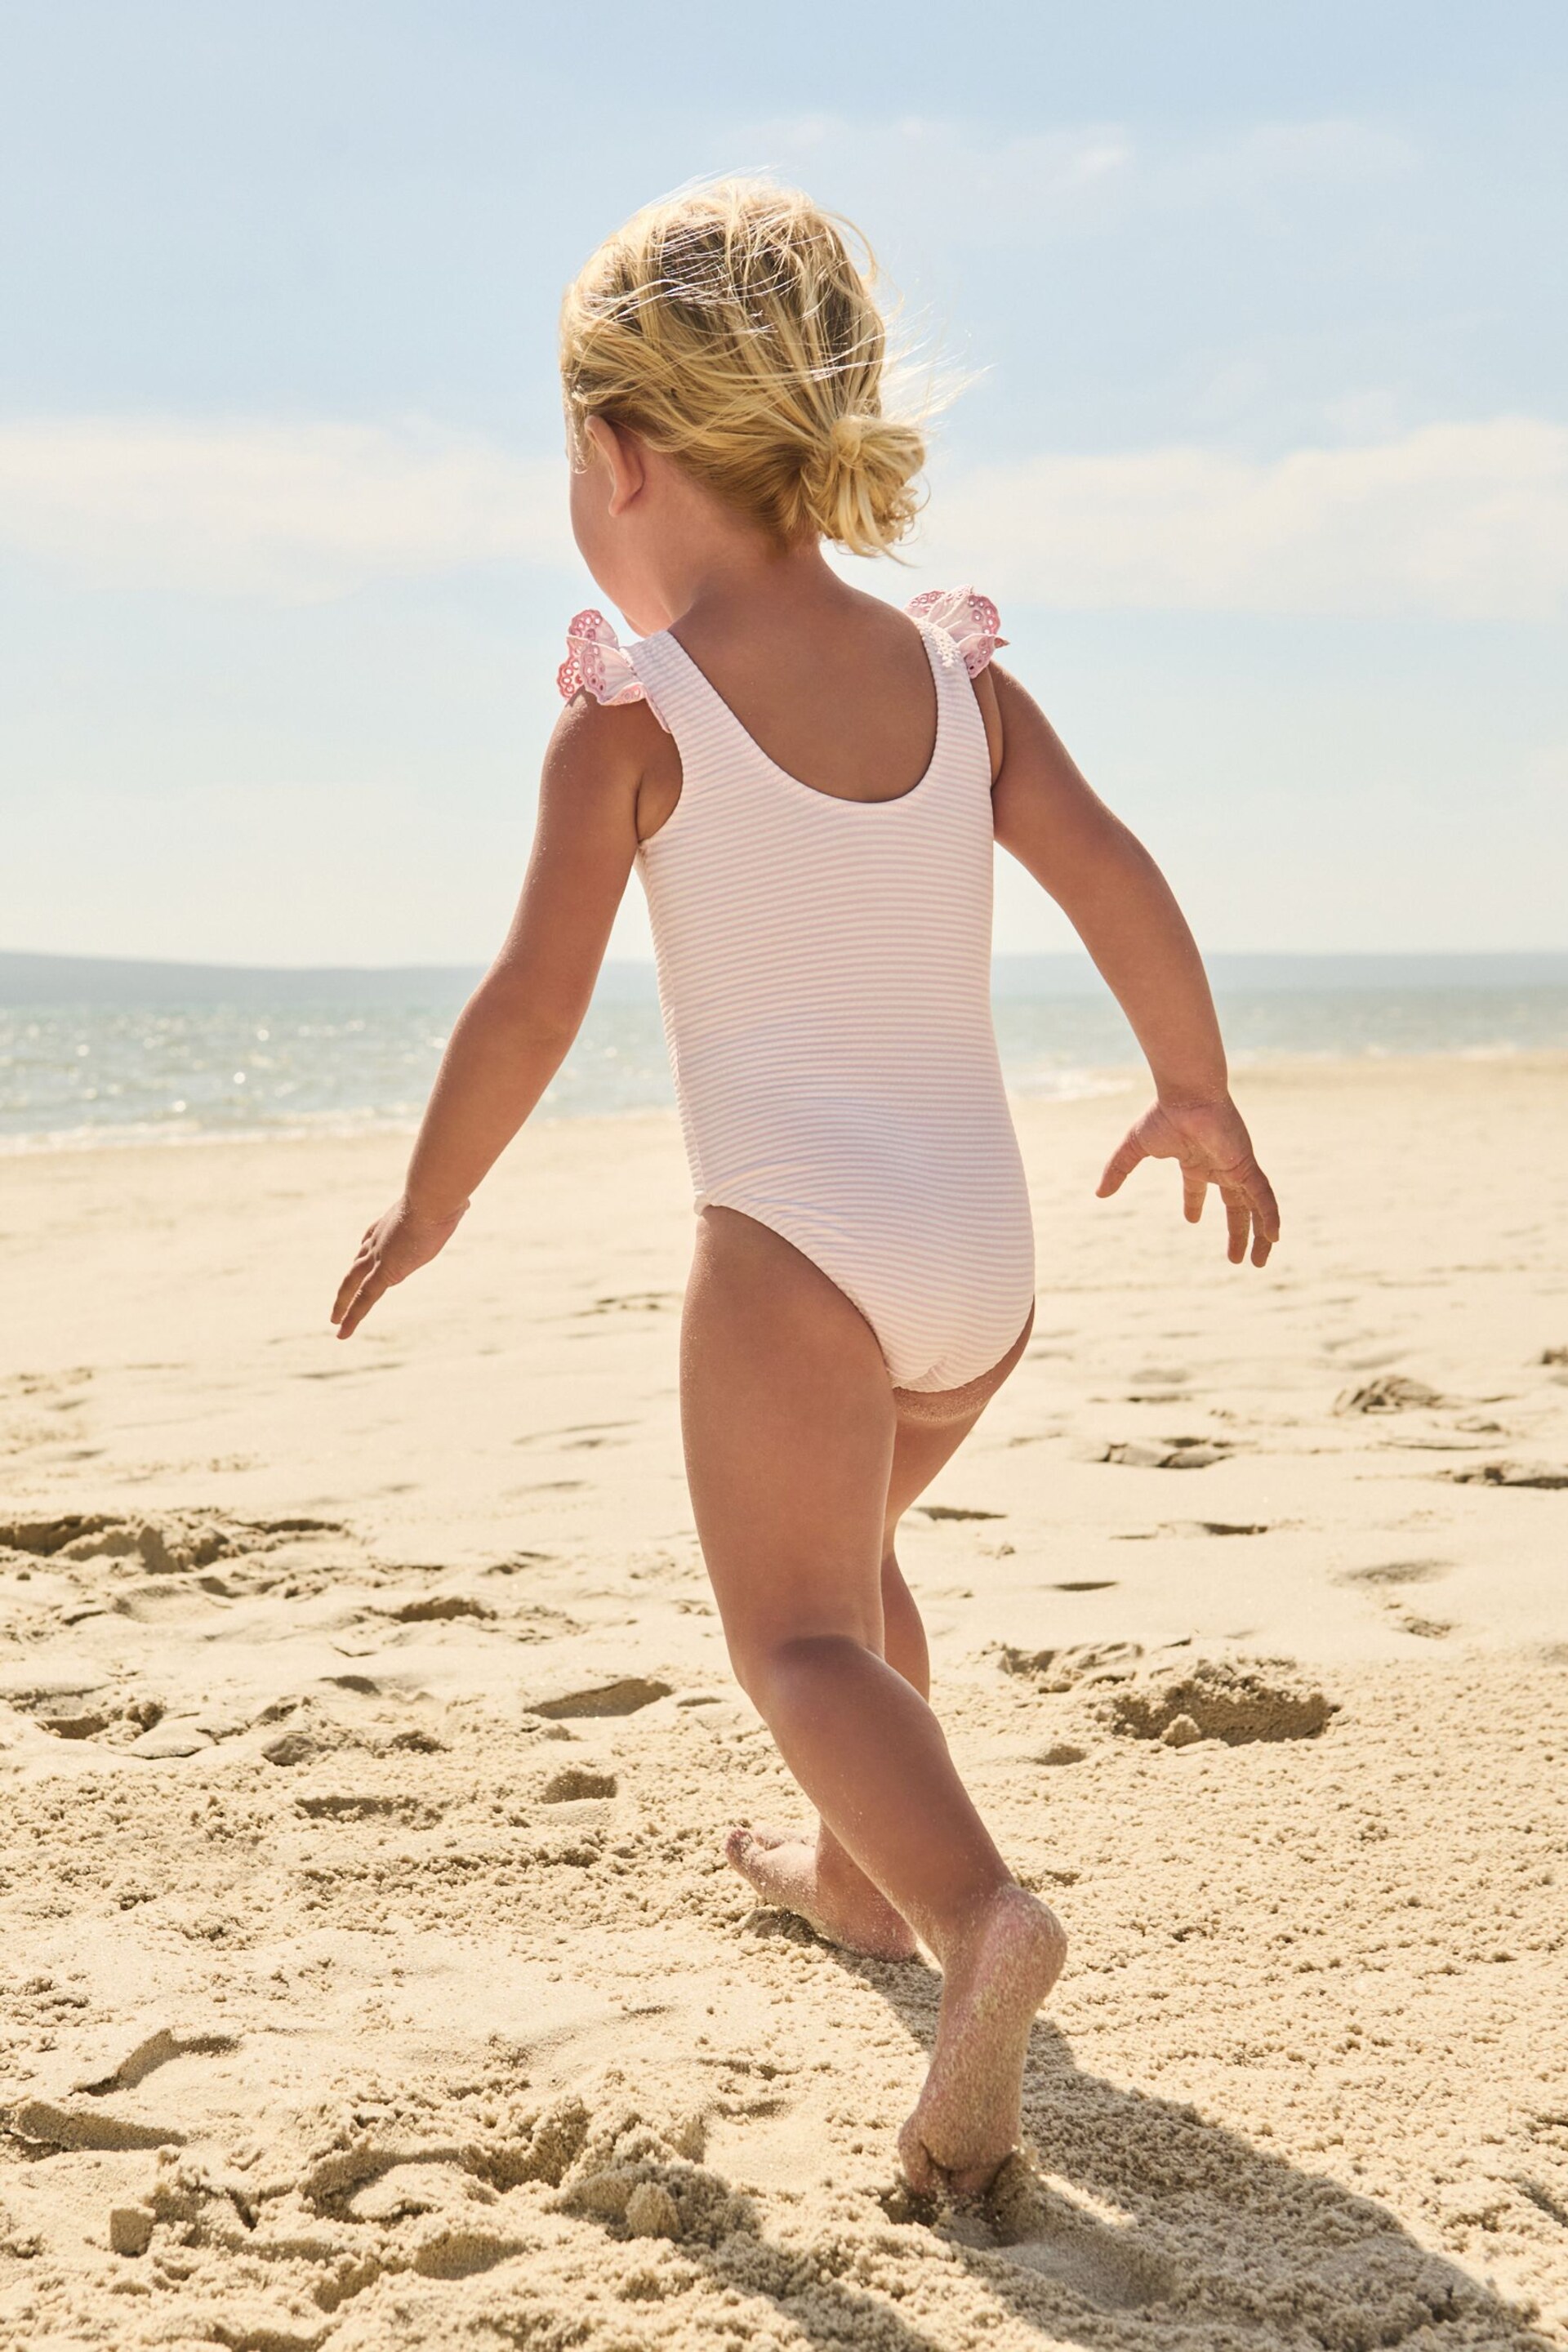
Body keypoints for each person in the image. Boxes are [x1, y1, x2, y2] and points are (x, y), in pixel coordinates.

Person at [331, 180, 1280, 2197]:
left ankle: (971, 1919)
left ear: (620, 456)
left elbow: (527, 1006)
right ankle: (857, 1875)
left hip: (795, 1253)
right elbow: (1115, 872)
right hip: (980, 1260)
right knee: (854, 1574)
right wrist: (1195, 1090)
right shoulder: (959, 683)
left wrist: (433, 1203)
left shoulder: (635, 719)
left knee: (791, 1638)